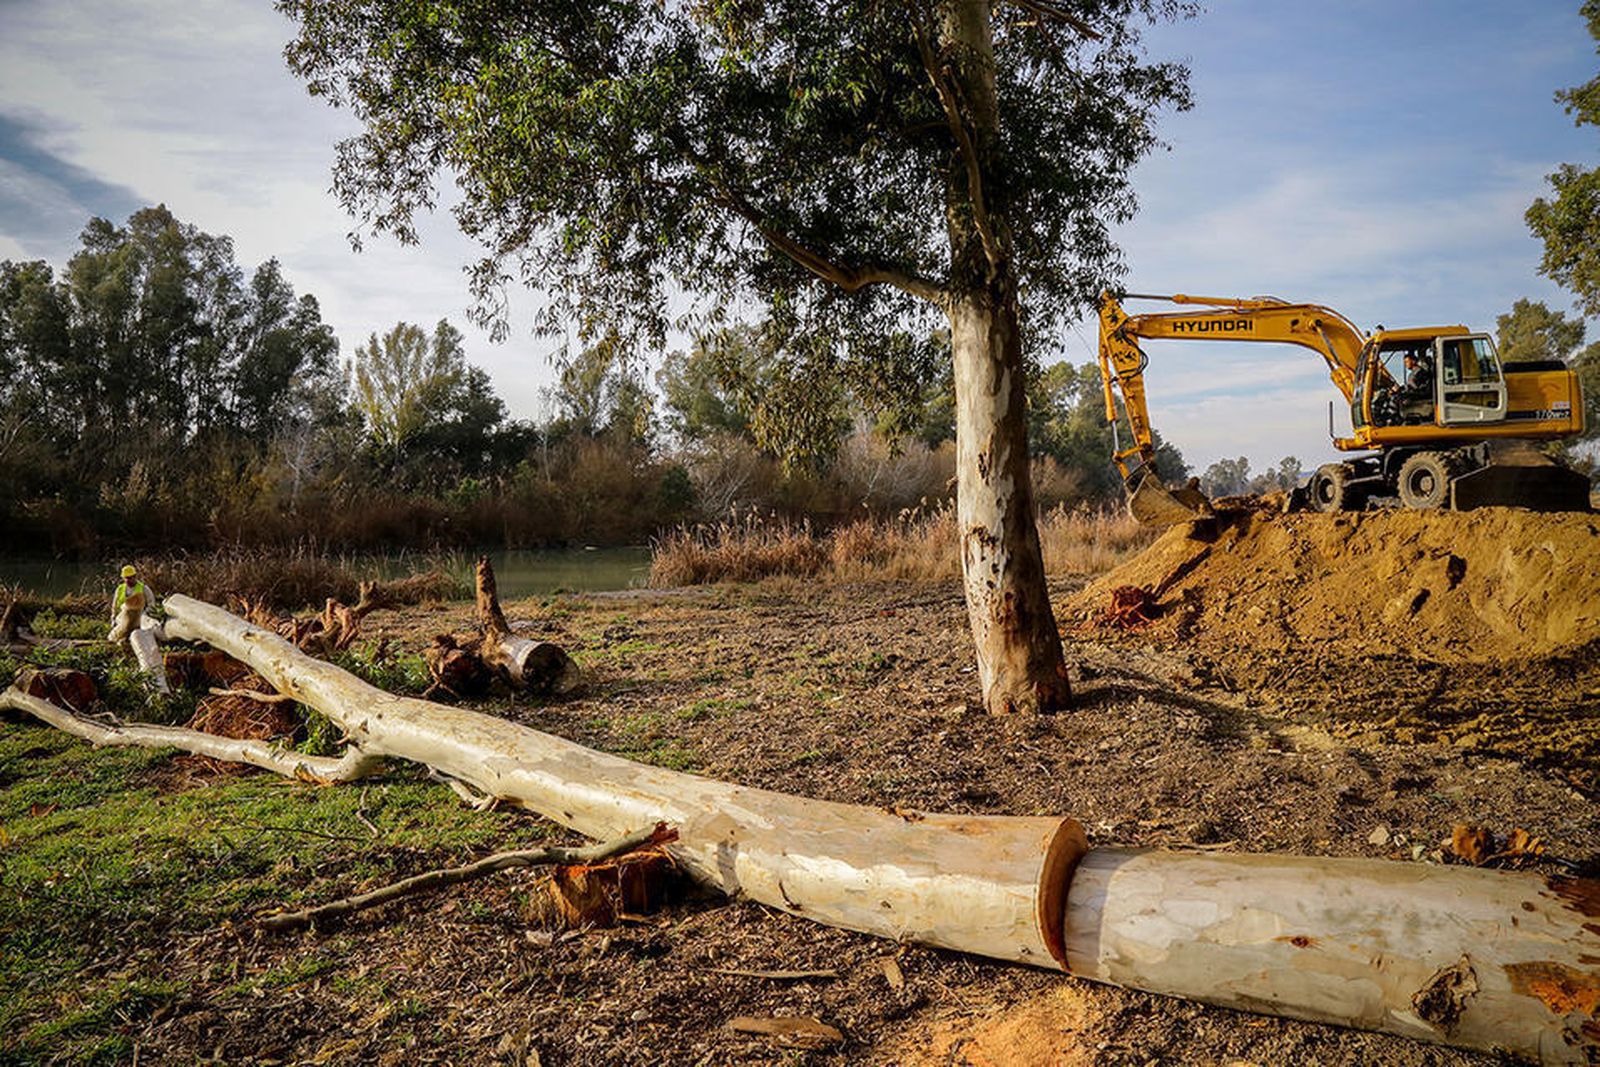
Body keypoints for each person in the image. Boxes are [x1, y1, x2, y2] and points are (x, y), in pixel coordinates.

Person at [108, 565, 157, 643]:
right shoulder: (120, 589)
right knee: (115, 636)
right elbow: (115, 605)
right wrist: (113, 618)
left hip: (139, 617)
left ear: (135, 577)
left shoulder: (144, 588)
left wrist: (145, 614)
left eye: (130, 578)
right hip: (122, 617)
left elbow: (151, 604)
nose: (128, 580)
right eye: (126, 578)